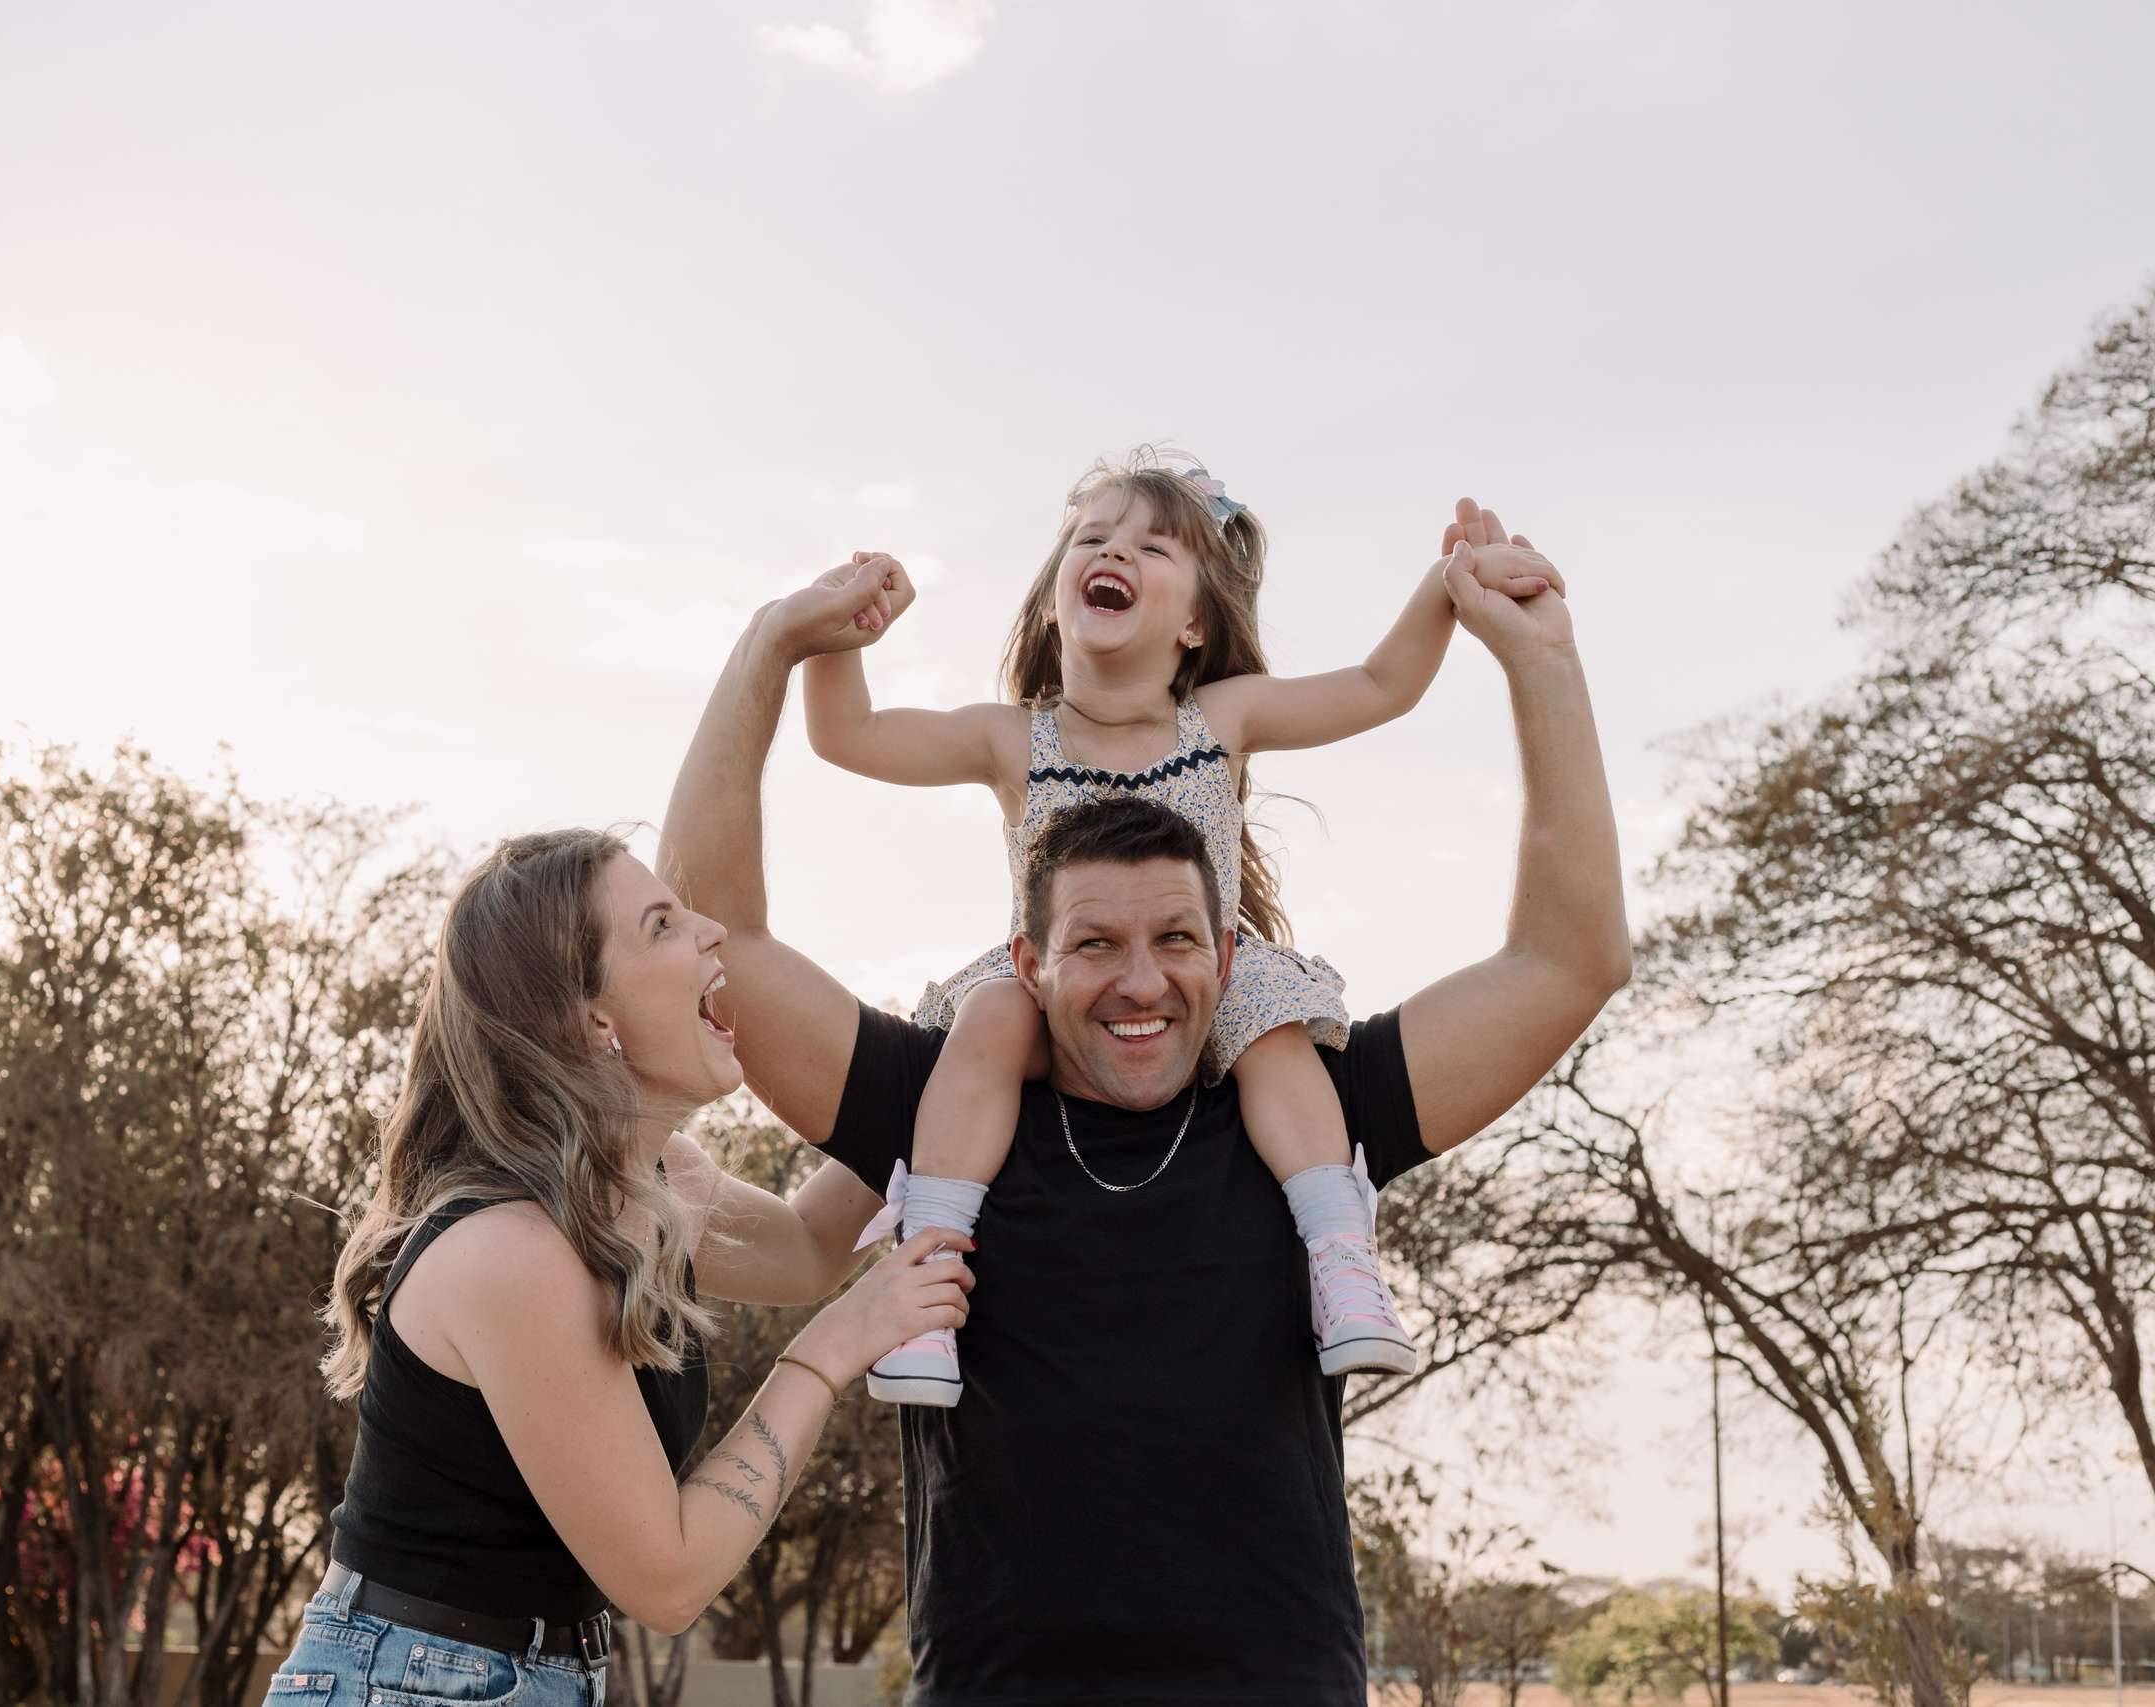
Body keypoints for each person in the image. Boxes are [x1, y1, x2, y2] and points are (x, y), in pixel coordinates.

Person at [656, 499, 1631, 1705]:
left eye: (1176, 939)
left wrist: (1539, 662)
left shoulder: (1303, 1102)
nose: (1138, 981)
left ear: (1227, 954)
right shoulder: (947, 1102)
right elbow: (717, 940)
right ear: (1026, 960)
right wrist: (769, 647)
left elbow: (1567, 960)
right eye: (1095, 943)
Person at [800, 451, 1562, 1403]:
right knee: (992, 1013)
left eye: (1152, 545)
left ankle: (1341, 1256)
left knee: (1269, 1020)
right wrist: (837, 632)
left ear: (1196, 621)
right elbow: (846, 735)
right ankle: (927, 1272)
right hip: (1063, 994)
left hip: (1210, 982)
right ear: (1053, 602)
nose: (1114, 550)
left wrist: (1446, 589)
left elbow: (1379, 683)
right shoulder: (1011, 737)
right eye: (1092, 538)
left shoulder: (1220, 719)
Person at [276, 829, 975, 1707]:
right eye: (663, 925)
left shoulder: (659, 1179)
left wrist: (946, 1066)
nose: (713, 931)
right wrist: (835, 1346)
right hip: (411, 1680)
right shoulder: (514, 1251)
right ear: (592, 1018)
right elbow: (668, 1578)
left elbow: (805, 1248)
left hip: (512, 1677)